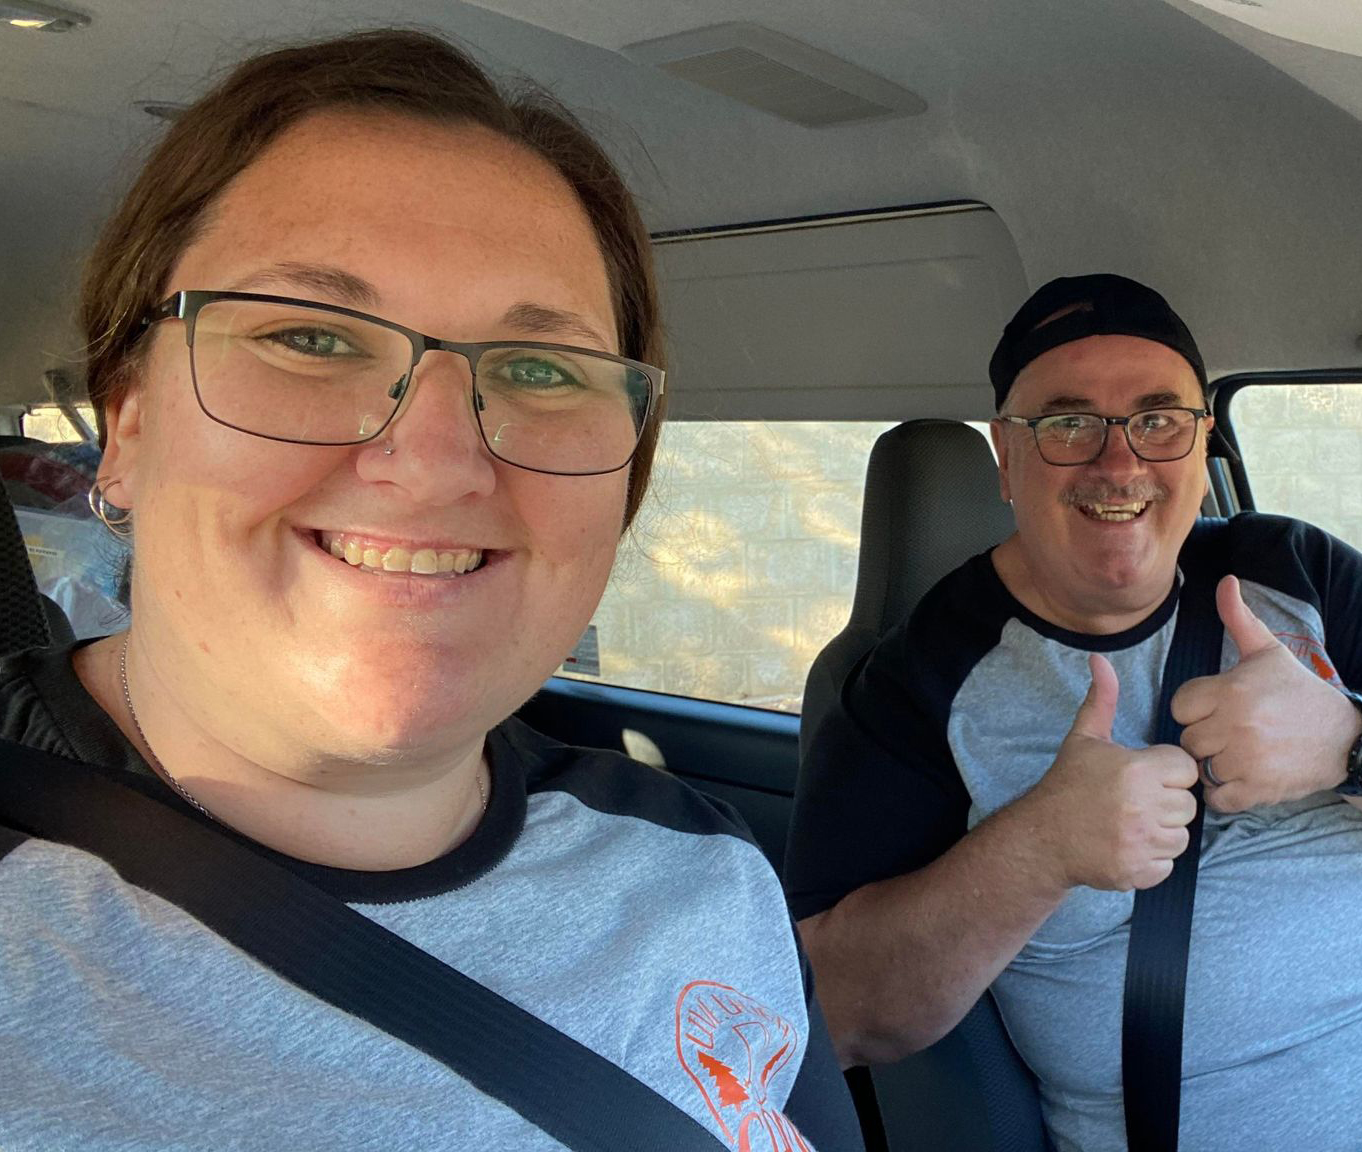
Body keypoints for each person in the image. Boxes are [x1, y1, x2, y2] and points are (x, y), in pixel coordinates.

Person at [0, 30, 861, 1152]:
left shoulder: (702, 868)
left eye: (541, 369)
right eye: (310, 337)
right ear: (128, 426)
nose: (439, 459)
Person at [784, 273, 1362, 1150]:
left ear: (1203, 443)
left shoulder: (1291, 565)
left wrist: (1352, 741)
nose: (1118, 462)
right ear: (1005, 457)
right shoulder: (916, 682)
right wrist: (1041, 848)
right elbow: (844, 1016)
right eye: (1067, 422)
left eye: (1158, 419)